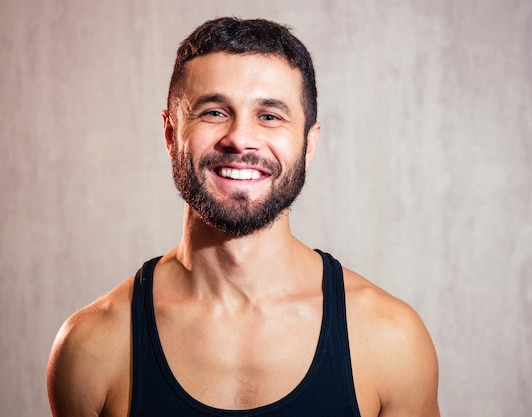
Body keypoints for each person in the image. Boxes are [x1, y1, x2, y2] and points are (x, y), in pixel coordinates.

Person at [46, 17, 440, 417]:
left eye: (269, 116)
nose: (240, 138)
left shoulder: (390, 338)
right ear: (170, 134)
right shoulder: (94, 346)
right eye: (214, 112)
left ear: (309, 143)